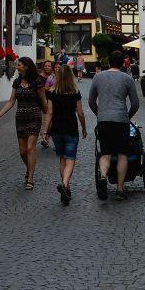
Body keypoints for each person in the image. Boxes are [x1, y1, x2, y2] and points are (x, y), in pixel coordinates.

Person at [88, 50, 140, 201]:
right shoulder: (127, 79)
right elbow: (135, 104)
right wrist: (127, 116)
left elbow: (91, 101)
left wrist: (99, 114)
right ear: (123, 63)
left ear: (109, 62)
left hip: (104, 120)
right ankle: (119, 190)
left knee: (105, 153)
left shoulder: (98, 77)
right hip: (121, 120)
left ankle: (103, 177)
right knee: (122, 154)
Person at [0, 56, 48, 189]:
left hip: (34, 117)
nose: (17, 67)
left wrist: (47, 121)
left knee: (30, 148)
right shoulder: (17, 82)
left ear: (26, 67)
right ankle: (29, 168)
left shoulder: (37, 82)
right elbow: (11, 101)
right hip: (21, 119)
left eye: (19, 65)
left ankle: (30, 178)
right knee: (22, 151)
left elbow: (44, 101)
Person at [40, 64, 87, 205]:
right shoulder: (75, 92)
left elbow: (49, 113)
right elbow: (80, 113)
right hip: (71, 129)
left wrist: (45, 131)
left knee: (62, 158)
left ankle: (65, 187)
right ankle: (65, 184)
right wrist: (84, 128)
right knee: (70, 159)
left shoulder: (52, 93)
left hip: (57, 130)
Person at [38, 60, 55, 150]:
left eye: (49, 66)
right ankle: (45, 139)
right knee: (44, 121)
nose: (47, 67)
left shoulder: (54, 77)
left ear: (52, 67)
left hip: (52, 101)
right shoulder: (39, 77)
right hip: (41, 102)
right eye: (45, 66)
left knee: (51, 123)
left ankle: (47, 137)